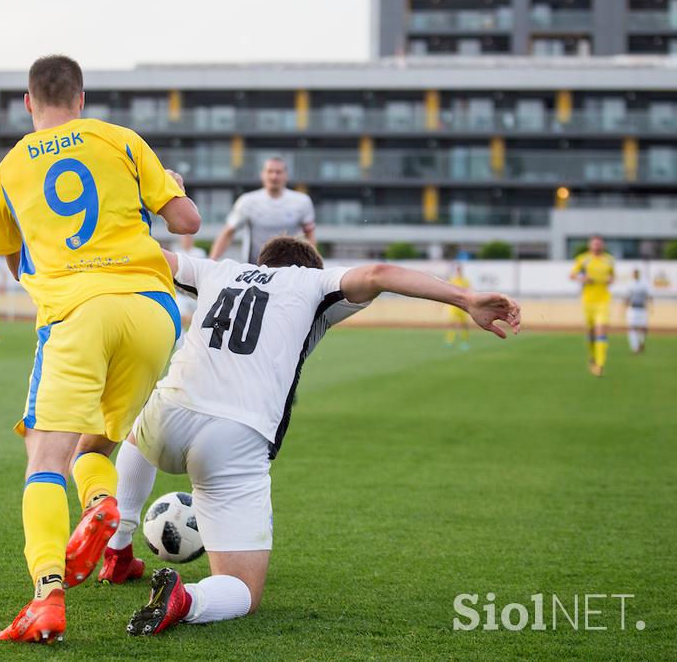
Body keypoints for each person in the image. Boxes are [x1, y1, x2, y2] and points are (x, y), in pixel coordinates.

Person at [96, 236, 520, 636]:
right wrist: (465, 298)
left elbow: (143, 251)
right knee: (242, 589)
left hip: (168, 413)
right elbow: (379, 273)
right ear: (310, 266)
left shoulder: (217, 271)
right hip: (235, 435)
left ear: (262, 263)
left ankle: (117, 547)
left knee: (136, 431)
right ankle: (185, 601)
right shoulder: (314, 283)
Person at [0, 54, 201, 644]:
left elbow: (14, 261)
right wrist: (175, 191)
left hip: (78, 313)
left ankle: (46, 597)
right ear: (81, 99)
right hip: (153, 311)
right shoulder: (122, 139)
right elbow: (186, 221)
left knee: (44, 457)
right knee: (99, 441)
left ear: (29, 104)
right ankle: (104, 502)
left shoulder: (10, 169)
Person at [208, 157, 316, 263]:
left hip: (290, 268)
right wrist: (212, 262)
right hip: (255, 269)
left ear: (286, 175)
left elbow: (310, 235)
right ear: (262, 174)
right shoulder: (247, 201)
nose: (274, 176)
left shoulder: (302, 201)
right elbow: (228, 232)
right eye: (270, 171)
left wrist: (313, 265)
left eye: (278, 172)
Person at [569, 235, 614, 377]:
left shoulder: (609, 260)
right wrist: (583, 278)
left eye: (599, 243)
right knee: (590, 333)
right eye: (594, 244)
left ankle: (600, 365)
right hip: (588, 301)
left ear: (602, 245)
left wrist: (609, 280)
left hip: (603, 301)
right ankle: (592, 358)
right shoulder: (583, 259)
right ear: (590, 245)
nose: (597, 246)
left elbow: (612, 277)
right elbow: (572, 275)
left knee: (601, 331)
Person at [175, 234, 206, 329]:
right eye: (184, 238)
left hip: (197, 294)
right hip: (182, 294)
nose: (186, 240)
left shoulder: (199, 253)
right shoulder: (177, 254)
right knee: (180, 318)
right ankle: (181, 342)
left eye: (188, 238)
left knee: (200, 320)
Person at [445, 263, 471, 350]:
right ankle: (450, 341)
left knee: (464, 325)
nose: (459, 271)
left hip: (463, 307)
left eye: (460, 269)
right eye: (457, 269)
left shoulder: (465, 281)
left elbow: (469, 292)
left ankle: (465, 342)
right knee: (451, 324)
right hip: (454, 307)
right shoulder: (453, 280)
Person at [625, 269, 651, 354]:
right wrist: (624, 308)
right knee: (632, 327)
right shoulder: (630, 284)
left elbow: (648, 296)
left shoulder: (644, 284)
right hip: (633, 308)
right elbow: (627, 298)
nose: (635, 275)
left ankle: (641, 342)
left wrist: (650, 306)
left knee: (643, 327)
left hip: (642, 308)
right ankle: (635, 347)